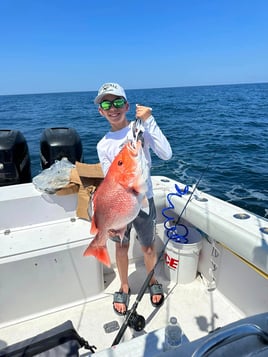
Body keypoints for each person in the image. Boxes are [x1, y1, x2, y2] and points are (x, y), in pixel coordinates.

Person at [94, 82, 172, 315]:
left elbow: (166, 155)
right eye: (106, 103)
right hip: (121, 205)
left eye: (118, 102)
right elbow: (110, 180)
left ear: (127, 105)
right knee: (122, 246)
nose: (113, 107)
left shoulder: (140, 129)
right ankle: (124, 285)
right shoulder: (103, 144)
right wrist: (110, 213)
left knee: (148, 246)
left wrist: (149, 120)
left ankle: (152, 281)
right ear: (101, 111)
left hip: (143, 199)